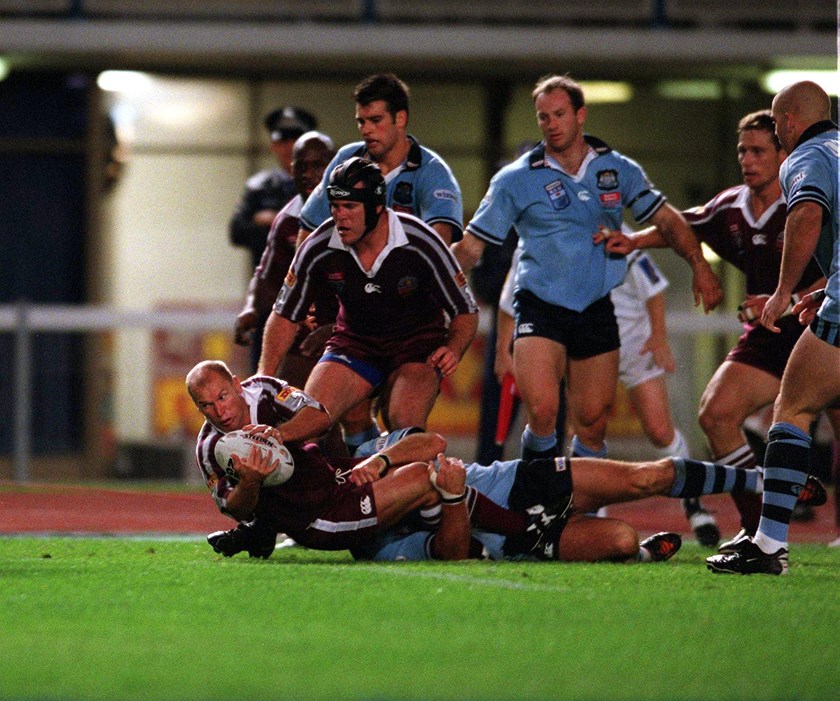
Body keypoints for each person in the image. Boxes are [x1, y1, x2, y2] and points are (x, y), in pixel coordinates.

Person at [451, 74, 722, 469]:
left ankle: (581, 513)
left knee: (592, 423)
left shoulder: (618, 170)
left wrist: (700, 265)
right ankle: (538, 500)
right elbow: (471, 247)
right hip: (539, 305)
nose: (551, 124)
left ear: (581, 114)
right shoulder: (514, 180)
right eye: (543, 117)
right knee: (542, 411)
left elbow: (667, 220)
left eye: (559, 114)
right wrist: (435, 278)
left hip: (596, 308)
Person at [597, 110, 826, 553]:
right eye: (742, 150)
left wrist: (788, 297)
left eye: (759, 150)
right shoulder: (732, 207)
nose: (748, 159)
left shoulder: (809, 200)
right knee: (716, 415)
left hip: (822, 328)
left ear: (783, 155)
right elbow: (683, 224)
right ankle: (760, 531)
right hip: (771, 332)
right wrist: (635, 240)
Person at [187, 361, 561, 559]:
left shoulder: (264, 389)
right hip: (320, 517)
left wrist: (280, 433)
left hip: (334, 476)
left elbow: (320, 415)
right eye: (206, 405)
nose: (219, 411)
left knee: (423, 446)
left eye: (222, 397)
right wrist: (250, 482)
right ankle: (522, 534)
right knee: (422, 478)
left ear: (237, 385)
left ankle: (498, 529)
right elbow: (234, 508)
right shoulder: (209, 450)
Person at [495, 243, 720, 546]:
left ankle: (693, 502)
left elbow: (652, 286)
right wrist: (502, 349)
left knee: (659, 430)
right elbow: (511, 297)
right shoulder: (535, 233)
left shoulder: (617, 235)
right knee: (577, 424)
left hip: (632, 344)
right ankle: (577, 510)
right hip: (583, 344)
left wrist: (658, 335)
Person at [706, 81, 838, 575]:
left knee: (794, 407)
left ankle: (767, 544)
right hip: (833, 294)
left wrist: (784, 291)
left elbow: (805, 214)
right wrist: (821, 290)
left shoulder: (805, 156)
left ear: (785, 124)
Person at [258, 157, 478, 435]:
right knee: (309, 419)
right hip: (355, 345)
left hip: (417, 346)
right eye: (335, 207)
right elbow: (284, 316)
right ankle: (351, 474)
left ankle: (394, 468)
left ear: (376, 208)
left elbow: (466, 311)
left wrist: (454, 348)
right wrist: (262, 379)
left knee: (403, 422)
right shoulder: (318, 245)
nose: (340, 216)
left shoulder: (421, 242)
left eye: (350, 206)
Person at [298, 73, 463, 245]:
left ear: (400, 118)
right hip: (348, 270)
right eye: (361, 121)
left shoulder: (431, 171)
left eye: (375, 120)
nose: (366, 130)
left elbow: (439, 242)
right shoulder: (345, 159)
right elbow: (309, 229)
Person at [230, 106, 319, 371]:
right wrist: (276, 228)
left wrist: (271, 219)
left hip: (315, 298)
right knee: (267, 375)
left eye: (296, 140)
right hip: (272, 293)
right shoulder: (260, 186)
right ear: (273, 145)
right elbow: (237, 230)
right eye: (283, 140)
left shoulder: (325, 187)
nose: (289, 147)